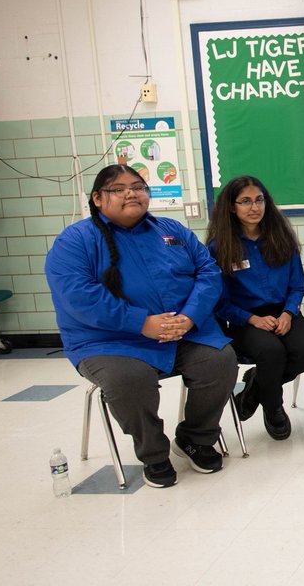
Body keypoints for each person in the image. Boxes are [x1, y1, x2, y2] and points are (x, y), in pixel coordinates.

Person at [45, 165, 236, 488]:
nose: (131, 193)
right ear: (97, 199)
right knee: (130, 379)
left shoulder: (172, 230)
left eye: (138, 186)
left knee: (219, 361)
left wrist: (189, 317)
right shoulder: (75, 241)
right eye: (118, 189)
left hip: (182, 331)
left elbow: (208, 273)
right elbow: (79, 296)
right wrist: (142, 323)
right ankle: (154, 454)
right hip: (110, 342)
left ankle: (196, 438)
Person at [207, 175, 304, 441]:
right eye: (245, 201)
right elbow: (219, 302)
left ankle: (256, 386)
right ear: (232, 207)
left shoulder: (281, 238)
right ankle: (273, 408)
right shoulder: (219, 247)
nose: (254, 207)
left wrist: (288, 313)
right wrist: (251, 319)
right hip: (244, 320)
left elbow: (297, 285)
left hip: (283, 311)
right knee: (271, 352)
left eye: (259, 200)